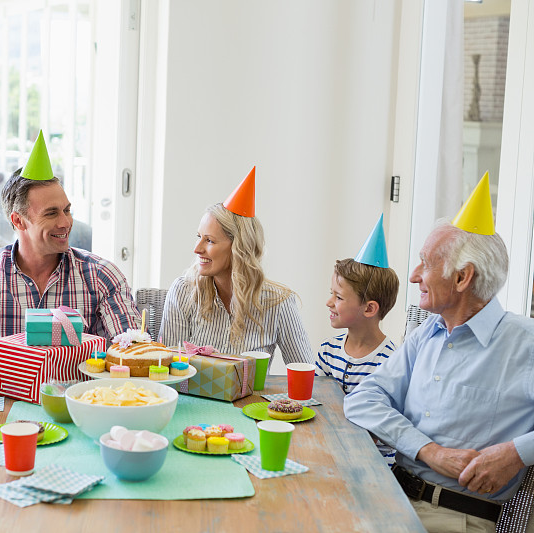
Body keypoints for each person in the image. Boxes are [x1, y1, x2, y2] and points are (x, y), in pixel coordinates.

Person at [344, 175, 534, 532]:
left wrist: (516, 453)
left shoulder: (525, 343)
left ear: (463, 278)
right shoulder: (427, 333)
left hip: (454, 518)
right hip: (391, 495)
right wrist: (430, 451)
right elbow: (363, 399)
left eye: (425, 263)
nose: (414, 275)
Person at [0, 131, 140, 370]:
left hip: (82, 397)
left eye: (67, 210)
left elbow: (130, 344)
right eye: (51, 213)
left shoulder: (102, 274)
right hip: (13, 396)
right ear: (19, 221)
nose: (65, 223)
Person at [160, 167, 313, 363]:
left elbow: (305, 372)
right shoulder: (183, 291)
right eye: (199, 237)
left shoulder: (279, 303)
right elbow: (167, 370)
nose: (197, 249)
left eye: (210, 241)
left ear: (239, 248)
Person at [315, 215, 399, 466]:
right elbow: (317, 405)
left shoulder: (391, 363)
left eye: (339, 297)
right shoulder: (328, 351)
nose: (329, 302)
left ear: (369, 308)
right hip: (332, 455)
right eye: (332, 294)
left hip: (373, 468)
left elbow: (380, 429)